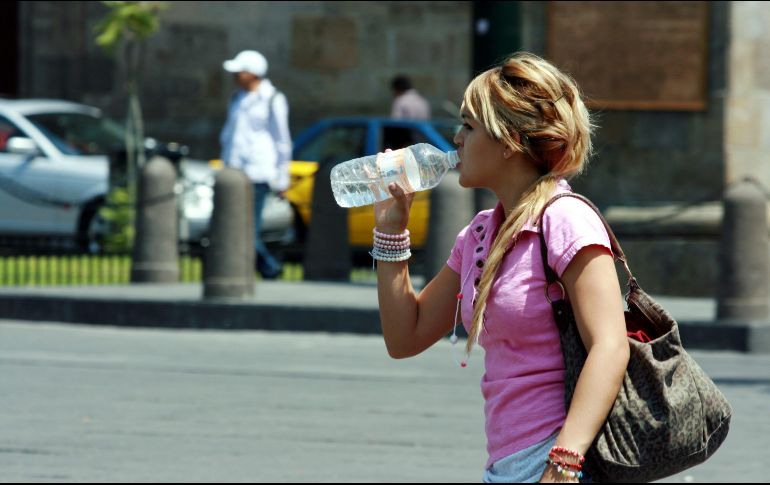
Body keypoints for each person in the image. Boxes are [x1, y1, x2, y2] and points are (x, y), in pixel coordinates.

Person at [373, 52, 630, 483]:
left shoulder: (565, 219)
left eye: (469, 126)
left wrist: (564, 462)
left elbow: (610, 345)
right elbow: (406, 337)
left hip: (558, 461)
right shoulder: (480, 234)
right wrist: (391, 233)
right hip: (506, 465)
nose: (455, 139)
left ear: (509, 141)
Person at [220, 49, 292, 279]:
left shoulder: (273, 99)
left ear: (252, 74)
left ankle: (270, 269)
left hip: (257, 174)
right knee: (234, 227)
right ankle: (255, 269)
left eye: (240, 71)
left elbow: (282, 141)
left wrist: (283, 177)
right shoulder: (237, 98)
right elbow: (230, 135)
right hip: (234, 172)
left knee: (246, 230)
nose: (235, 76)